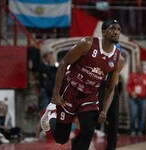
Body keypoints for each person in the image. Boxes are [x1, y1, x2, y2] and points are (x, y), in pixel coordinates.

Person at [40, 19, 124, 150]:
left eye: (118, 29)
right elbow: (63, 64)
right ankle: (51, 113)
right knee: (61, 138)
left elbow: (111, 88)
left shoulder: (118, 59)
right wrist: (55, 94)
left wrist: (104, 110)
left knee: (88, 131)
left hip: (90, 96)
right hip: (71, 89)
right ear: (103, 32)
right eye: (113, 28)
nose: (116, 32)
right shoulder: (88, 43)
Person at [97, 75, 123, 150]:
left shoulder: (118, 63)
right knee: (92, 116)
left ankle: (111, 147)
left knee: (114, 119)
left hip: (112, 84)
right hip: (98, 84)